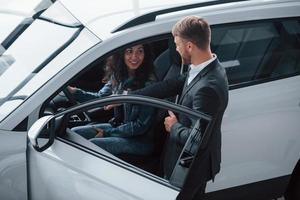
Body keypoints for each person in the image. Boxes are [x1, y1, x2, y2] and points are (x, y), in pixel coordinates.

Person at [132, 16, 229, 199]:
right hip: (187, 160)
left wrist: (173, 126)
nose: (176, 49)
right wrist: (130, 97)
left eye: (177, 44)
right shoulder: (208, 67)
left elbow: (197, 140)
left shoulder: (208, 87)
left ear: (190, 46)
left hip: (190, 167)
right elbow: (171, 85)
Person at [71, 44, 157, 156]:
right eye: (129, 51)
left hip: (139, 139)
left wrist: (108, 133)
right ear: (121, 54)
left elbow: (140, 127)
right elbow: (100, 98)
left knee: (93, 145)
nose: (135, 57)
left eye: (140, 51)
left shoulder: (149, 83)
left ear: (145, 54)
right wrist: (75, 92)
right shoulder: (118, 75)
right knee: (74, 134)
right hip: (120, 127)